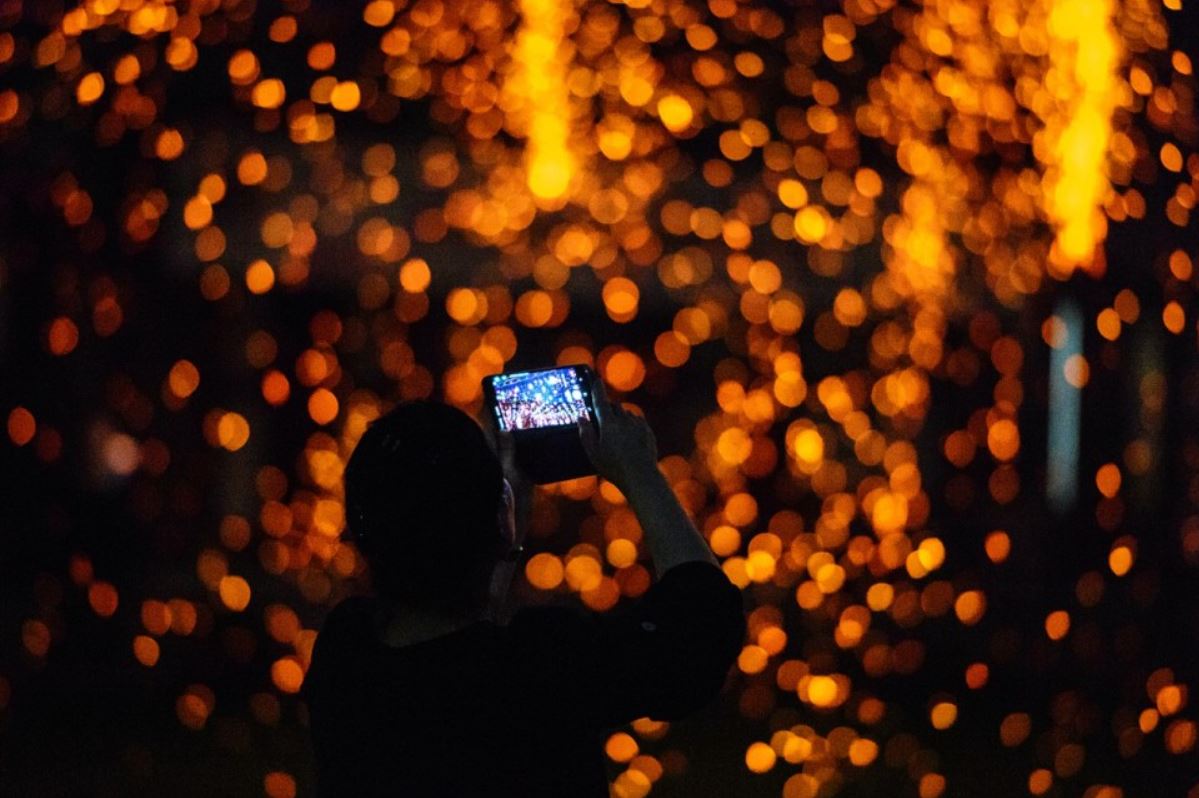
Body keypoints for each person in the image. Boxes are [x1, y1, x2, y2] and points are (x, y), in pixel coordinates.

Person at [304, 378, 746, 797]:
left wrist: (501, 516)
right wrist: (639, 472)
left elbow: (457, 651)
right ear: (497, 520)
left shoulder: (346, 655)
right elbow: (701, 628)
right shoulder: (543, 665)